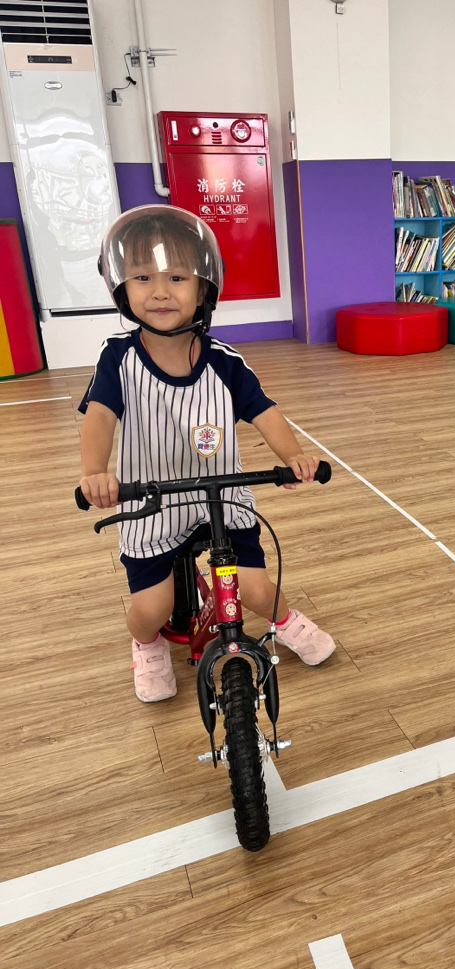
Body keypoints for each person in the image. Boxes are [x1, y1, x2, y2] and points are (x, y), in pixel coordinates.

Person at [78, 205, 335, 703]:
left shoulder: (224, 361)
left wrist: (294, 457)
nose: (159, 291)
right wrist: (95, 472)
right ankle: (146, 645)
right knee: (152, 609)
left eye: (177, 278)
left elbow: (265, 412)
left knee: (257, 591)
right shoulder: (119, 357)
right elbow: (101, 417)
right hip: (150, 501)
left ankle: (285, 621)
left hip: (222, 496)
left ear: (203, 289)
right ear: (122, 288)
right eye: (142, 278)